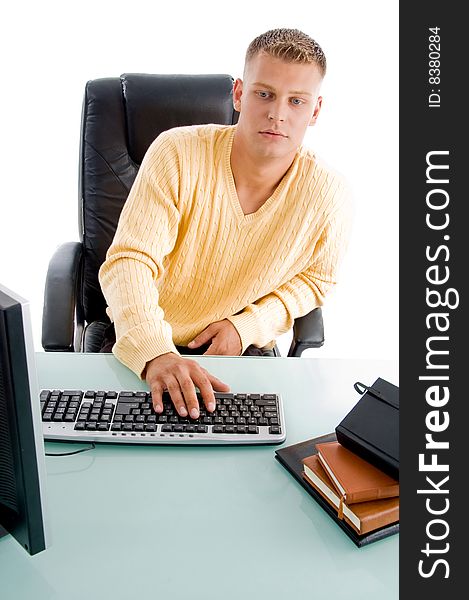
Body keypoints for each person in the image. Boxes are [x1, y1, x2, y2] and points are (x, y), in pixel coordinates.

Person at [98, 28, 353, 421]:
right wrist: (156, 352)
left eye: (296, 101)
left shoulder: (328, 194)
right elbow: (130, 261)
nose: (277, 114)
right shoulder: (177, 153)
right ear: (238, 94)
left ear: (315, 111)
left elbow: (318, 280)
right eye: (263, 93)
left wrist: (248, 326)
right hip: (145, 340)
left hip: (238, 353)